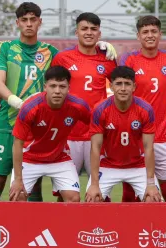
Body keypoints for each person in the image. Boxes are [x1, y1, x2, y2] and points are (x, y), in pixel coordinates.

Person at [0, 2, 117, 202]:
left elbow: (120, 83)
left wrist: (104, 45)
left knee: (46, 186)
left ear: (40, 22)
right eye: (24, 20)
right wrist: (10, 99)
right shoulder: (6, 47)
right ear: (17, 23)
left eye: (33, 20)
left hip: (60, 127)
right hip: (11, 119)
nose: (29, 24)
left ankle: (46, 229)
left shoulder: (52, 53)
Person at [118, 16, 166, 202]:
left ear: (160, 34)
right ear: (138, 36)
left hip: (164, 137)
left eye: (153, 31)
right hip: (136, 136)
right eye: (145, 32)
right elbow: (119, 86)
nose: (150, 35)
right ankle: (129, 229)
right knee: (130, 192)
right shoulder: (129, 59)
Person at [51, 12, 117, 201]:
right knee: (66, 194)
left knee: (99, 195)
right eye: (84, 29)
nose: (89, 33)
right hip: (69, 133)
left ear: (99, 33)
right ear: (76, 32)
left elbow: (121, 89)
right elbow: (50, 91)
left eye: (93, 29)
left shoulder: (108, 58)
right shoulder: (63, 58)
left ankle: (99, 230)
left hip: (97, 134)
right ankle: (62, 230)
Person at [9, 66, 91, 202]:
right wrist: (18, 180)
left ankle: (60, 224)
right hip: (30, 158)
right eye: (53, 86)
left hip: (59, 158)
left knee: (74, 199)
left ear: (68, 88)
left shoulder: (79, 106)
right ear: (45, 87)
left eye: (62, 86)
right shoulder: (30, 107)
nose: (57, 91)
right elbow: (18, 143)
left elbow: (97, 125)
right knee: (18, 197)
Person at [85, 66, 161, 203]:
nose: (123, 88)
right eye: (119, 84)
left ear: (134, 87)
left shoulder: (145, 109)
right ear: (112, 86)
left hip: (137, 165)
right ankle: (104, 225)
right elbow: (95, 148)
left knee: (153, 199)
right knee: (93, 199)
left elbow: (149, 148)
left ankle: (143, 225)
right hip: (108, 164)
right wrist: (94, 184)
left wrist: (150, 183)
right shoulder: (100, 109)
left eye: (127, 84)